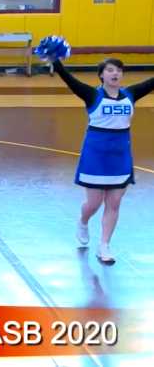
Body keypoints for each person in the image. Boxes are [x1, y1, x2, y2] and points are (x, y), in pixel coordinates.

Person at [51, 57, 153, 262]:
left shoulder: (130, 94)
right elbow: (70, 80)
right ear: (101, 75)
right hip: (96, 156)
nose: (115, 74)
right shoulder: (92, 95)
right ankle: (83, 221)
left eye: (119, 70)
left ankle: (104, 245)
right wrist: (56, 61)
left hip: (120, 157)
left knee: (114, 203)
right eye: (110, 70)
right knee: (94, 203)